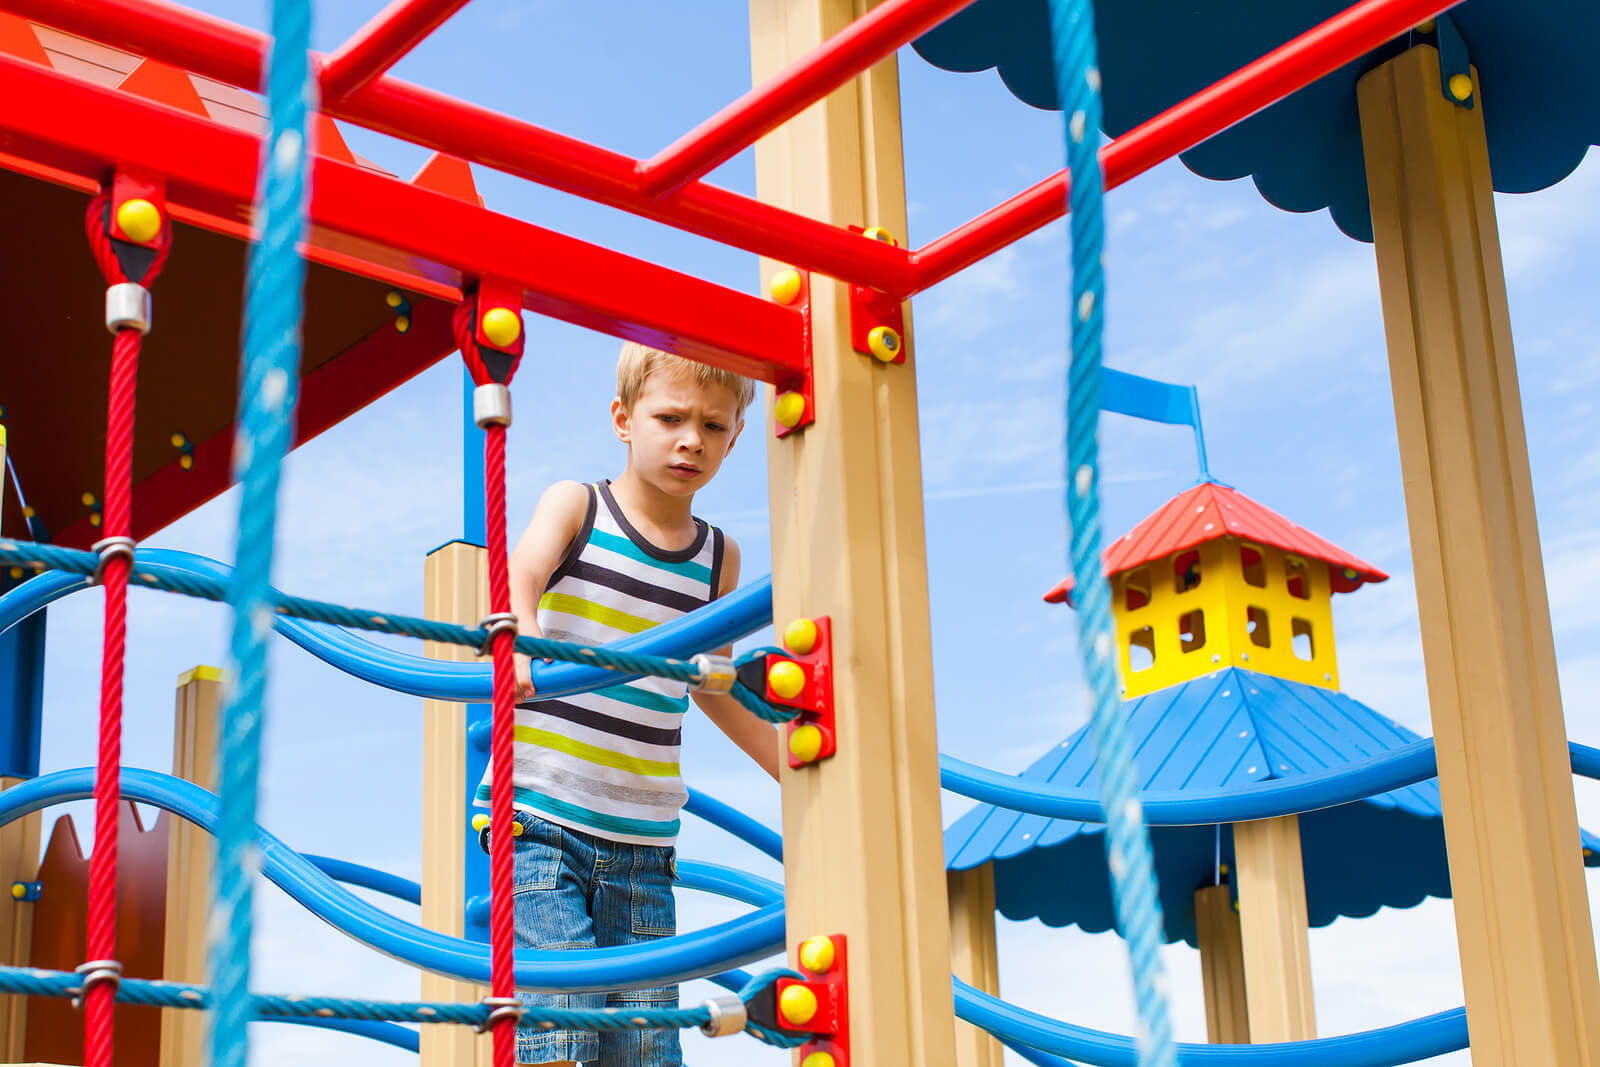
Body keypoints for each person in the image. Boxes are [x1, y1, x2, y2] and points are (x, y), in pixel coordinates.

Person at [472, 340, 782, 1067]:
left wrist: (791, 768)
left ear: (735, 436)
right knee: (560, 1020)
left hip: (644, 840)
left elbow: (715, 684)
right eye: (671, 417)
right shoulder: (578, 506)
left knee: (642, 1045)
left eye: (712, 425)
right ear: (623, 418)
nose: (690, 439)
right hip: (540, 816)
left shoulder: (718, 558)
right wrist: (518, 637)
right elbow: (520, 571)